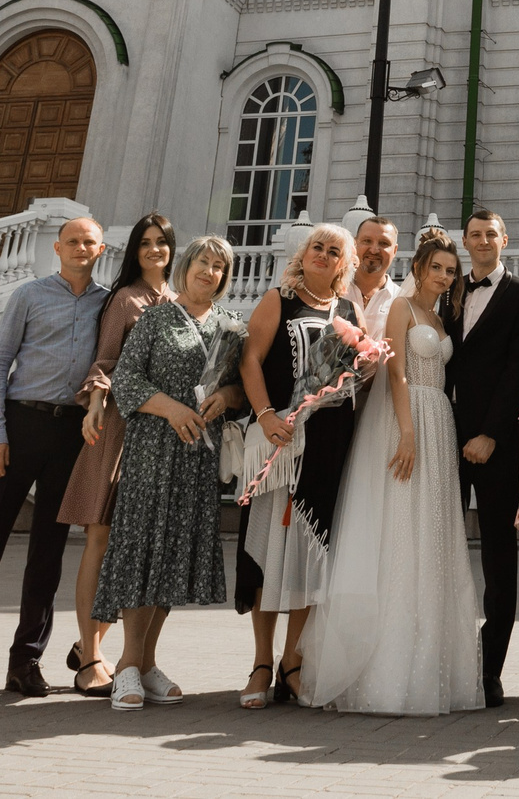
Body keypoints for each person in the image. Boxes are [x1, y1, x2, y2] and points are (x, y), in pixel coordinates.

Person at [301, 227, 486, 714]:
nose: (444, 276)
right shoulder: (403, 308)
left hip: (439, 422)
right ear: (420, 268)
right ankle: (383, 670)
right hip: (409, 420)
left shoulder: (442, 314)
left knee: (432, 534)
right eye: (437, 268)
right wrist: (406, 432)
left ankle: (429, 669)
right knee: (401, 528)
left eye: (451, 270)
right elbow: (398, 372)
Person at [0, 215, 109, 703]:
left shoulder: (106, 305)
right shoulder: (29, 296)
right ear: (57, 248)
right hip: (20, 425)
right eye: (72, 241)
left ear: (101, 250)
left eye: (89, 242)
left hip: (71, 435)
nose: (80, 248)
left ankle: (26, 661)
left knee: (48, 554)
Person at [94, 236, 245, 707]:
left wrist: (230, 398)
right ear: (187, 266)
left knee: (174, 555)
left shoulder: (232, 328)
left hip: (198, 457)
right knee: (143, 550)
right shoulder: (157, 316)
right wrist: (172, 411)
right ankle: (126, 665)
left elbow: (242, 386)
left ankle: (148, 662)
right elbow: (127, 378)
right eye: (203, 262)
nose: (210, 272)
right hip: (151, 452)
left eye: (219, 266)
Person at [237, 223, 363, 708]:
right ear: (304, 253)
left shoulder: (349, 311)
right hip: (278, 442)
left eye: (335, 251)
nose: (325, 254)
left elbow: (355, 372)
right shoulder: (278, 299)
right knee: (268, 550)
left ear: (342, 264)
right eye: (318, 246)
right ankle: (260, 663)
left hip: (327, 445)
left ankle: (293, 662)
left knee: (309, 555)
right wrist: (266, 415)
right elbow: (251, 358)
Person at [62, 213, 175, 696]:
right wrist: (93, 407)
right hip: (119, 431)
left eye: (161, 242)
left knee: (144, 548)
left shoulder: (179, 300)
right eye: (145, 242)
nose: (153, 249)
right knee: (102, 539)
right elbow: (106, 361)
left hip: (164, 437)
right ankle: (90, 658)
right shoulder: (125, 300)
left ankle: (110, 648)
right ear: (134, 250)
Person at [447, 207, 519, 707]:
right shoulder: (447, 290)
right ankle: (440, 660)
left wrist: (490, 433)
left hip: (494, 443)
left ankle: (490, 670)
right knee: (436, 547)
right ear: (464, 241)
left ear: (504, 239)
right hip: (441, 435)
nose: (483, 241)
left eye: (491, 234)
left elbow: (517, 371)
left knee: (499, 557)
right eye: (475, 234)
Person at [348, 215, 399, 340]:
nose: (374, 250)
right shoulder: (333, 289)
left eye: (384, 243)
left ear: (395, 250)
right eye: (367, 241)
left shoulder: (401, 299)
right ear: (354, 245)